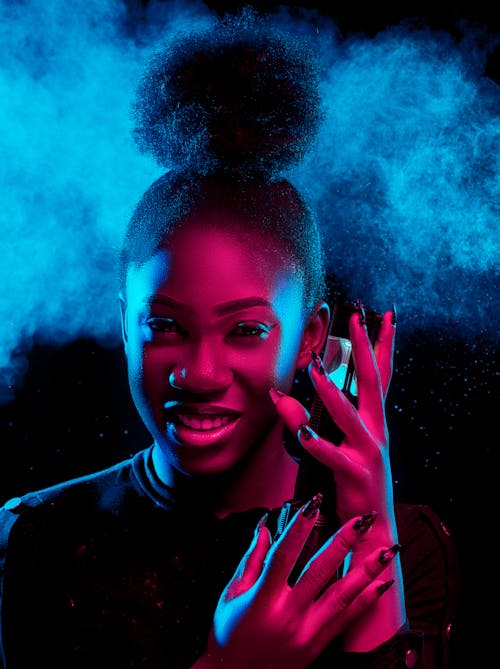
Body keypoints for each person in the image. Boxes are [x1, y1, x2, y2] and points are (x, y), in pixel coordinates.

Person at [0, 9, 458, 669]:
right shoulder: (39, 538)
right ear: (123, 324)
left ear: (310, 339)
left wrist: (367, 527)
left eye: (244, 329)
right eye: (164, 326)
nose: (201, 371)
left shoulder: (412, 545)